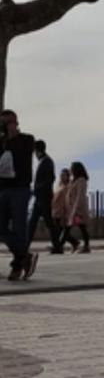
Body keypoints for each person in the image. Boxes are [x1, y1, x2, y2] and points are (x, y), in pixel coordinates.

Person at [0, 109, 38, 280]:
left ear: (16, 122)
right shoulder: (1, 143)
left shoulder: (26, 140)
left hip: (20, 189)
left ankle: (17, 265)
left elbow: (21, 157)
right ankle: (25, 256)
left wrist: (12, 136)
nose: (6, 126)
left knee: (19, 228)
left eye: (8, 122)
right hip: (3, 190)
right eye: (3, 123)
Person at [27, 140, 63, 254]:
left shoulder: (47, 161)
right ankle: (57, 246)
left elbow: (49, 179)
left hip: (44, 198)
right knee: (34, 223)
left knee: (47, 223)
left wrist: (36, 190)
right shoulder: (45, 160)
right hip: (41, 198)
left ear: (37, 151)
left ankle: (57, 247)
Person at [63, 161, 91, 253]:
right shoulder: (73, 180)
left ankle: (60, 245)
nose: (70, 170)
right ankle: (77, 244)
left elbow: (80, 196)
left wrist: (75, 210)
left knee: (73, 228)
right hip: (72, 210)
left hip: (78, 210)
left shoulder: (81, 180)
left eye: (71, 168)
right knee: (80, 227)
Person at [53, 168, 76, 252]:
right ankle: (74, 242)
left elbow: (68, 200)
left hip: (65, 211)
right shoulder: (59, 185)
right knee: (61, 231)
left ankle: (58, 247)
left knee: (61, 231)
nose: (61, 177)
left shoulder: (69, 186)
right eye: (61, 175)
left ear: (68, 176)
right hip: (57, 211)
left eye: (63, 175)